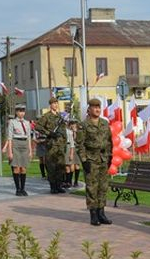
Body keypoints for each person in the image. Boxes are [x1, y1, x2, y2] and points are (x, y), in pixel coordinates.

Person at [76, 98, 113, 226]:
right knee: (92, 187)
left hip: (103, 159)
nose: (97, 109)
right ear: (89, 109)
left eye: (99, 107)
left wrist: (110, 156)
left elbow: (109, 142)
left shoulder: (104, 123)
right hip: (91, 160)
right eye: (95, 107)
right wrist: (84, 160)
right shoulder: (84, 125)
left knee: (103, 187)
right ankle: (93, 214)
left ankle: (101, 213)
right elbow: (80, 145)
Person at [34, 97, 67, 194]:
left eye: (57, 103)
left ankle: (59, 185)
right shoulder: (46, 116)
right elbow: (37, 126)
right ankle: (53, 186)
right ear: (50, 105)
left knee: (60, 166)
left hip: (60, 145)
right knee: (52, 166)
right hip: (51, 145)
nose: (55, 105)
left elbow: (63, 131)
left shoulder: (60, 117)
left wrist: (64, 142)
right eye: (53, 103)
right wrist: (48, 133)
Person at [4, 104, 32, 196]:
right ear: (16, 112)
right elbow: (10, 137)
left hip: (24, 144)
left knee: (23, 168)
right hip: (15, 143)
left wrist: (30, 151)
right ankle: (18, 189)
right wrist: (10, 152)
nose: (21, 113)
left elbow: (28, 137)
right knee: (16, 167)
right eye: (20, 111)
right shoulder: (12, 122)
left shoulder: (27, 123)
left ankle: (23, 188)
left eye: (23, 111)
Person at [65, 119, 81, 188]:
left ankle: (76, 181)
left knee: (76, 165)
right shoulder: (67, 131)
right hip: (70, 148)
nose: (73, 125)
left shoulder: (79, 131)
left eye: (74, 124)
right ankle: (69, 181)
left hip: (76, 148)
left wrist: (75, 132)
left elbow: (76, 139)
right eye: (72, 124)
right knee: (70, 164)